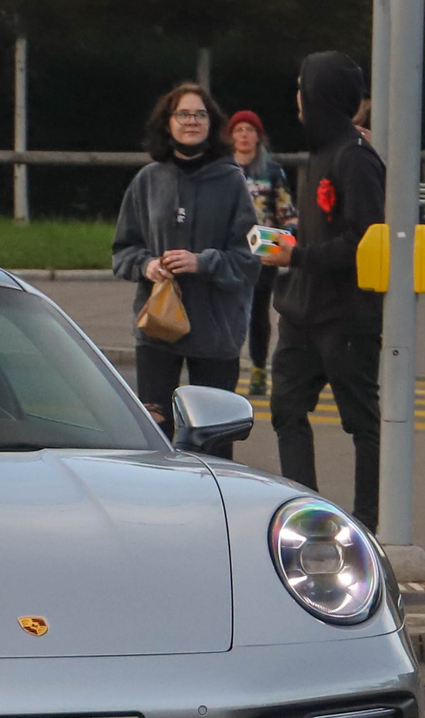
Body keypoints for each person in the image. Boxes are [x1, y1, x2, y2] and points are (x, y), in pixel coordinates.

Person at [270, 51, 385, 528]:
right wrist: (293, 245)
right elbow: (327, 235)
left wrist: (296, 256)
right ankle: (309, 516)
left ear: (318, 94)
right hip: (300, 311)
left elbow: (366, 242)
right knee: (285, 411)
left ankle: (368, 521)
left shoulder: (355, 159)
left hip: (345, 317)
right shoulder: (319, 151)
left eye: (301, 85)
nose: (295, 95)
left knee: (361, 422)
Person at [111, 82, 258, 450]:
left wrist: (202, 262)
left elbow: (248, 260)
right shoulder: (148, 180)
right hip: (158, 329)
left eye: (200, 114)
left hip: (216, 332)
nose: (191, 121)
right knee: (154, 434)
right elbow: (123, 251)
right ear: (167, 122)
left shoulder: (232, 182)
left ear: (212, 123)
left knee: (213, 441)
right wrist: (147, 266)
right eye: (183, 114)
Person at [229, 108, 293, 397]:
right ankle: (226, 366)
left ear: (258, 136)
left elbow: (285, 211)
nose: (244, 135)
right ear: (231, 136)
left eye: (249, 130)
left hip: (262, 246)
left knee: (258, 311)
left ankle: (257, 369)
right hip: (229, 247)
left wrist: (291, 241)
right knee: (230, 310)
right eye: (239, 130)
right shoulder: (222, 168)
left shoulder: (272, 171)